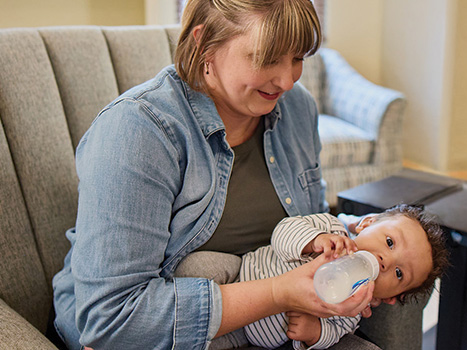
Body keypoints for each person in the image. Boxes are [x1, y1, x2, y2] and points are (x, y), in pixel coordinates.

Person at [51, 1, 377, 349]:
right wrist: (278, 293)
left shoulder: (297, 109)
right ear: (204, 43)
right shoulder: (138, 131)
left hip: (267, 325)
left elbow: (309, 222)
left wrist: (356, 238)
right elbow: (114, 319)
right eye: (268, 58)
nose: (286, 80)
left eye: (297, 58)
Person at [177, 204, 449, 349]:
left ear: (390, 298)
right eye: (389, 242)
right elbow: (283, 231)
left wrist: (315, 332)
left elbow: (335, 334)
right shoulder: (331, 229)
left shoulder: (352, 309)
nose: (386, 261)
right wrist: (313, 240)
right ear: (367, 223)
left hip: (248, 336)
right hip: (240, 274)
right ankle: (167, 302)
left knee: (206, 342)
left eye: (399, 273)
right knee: (200, 266)